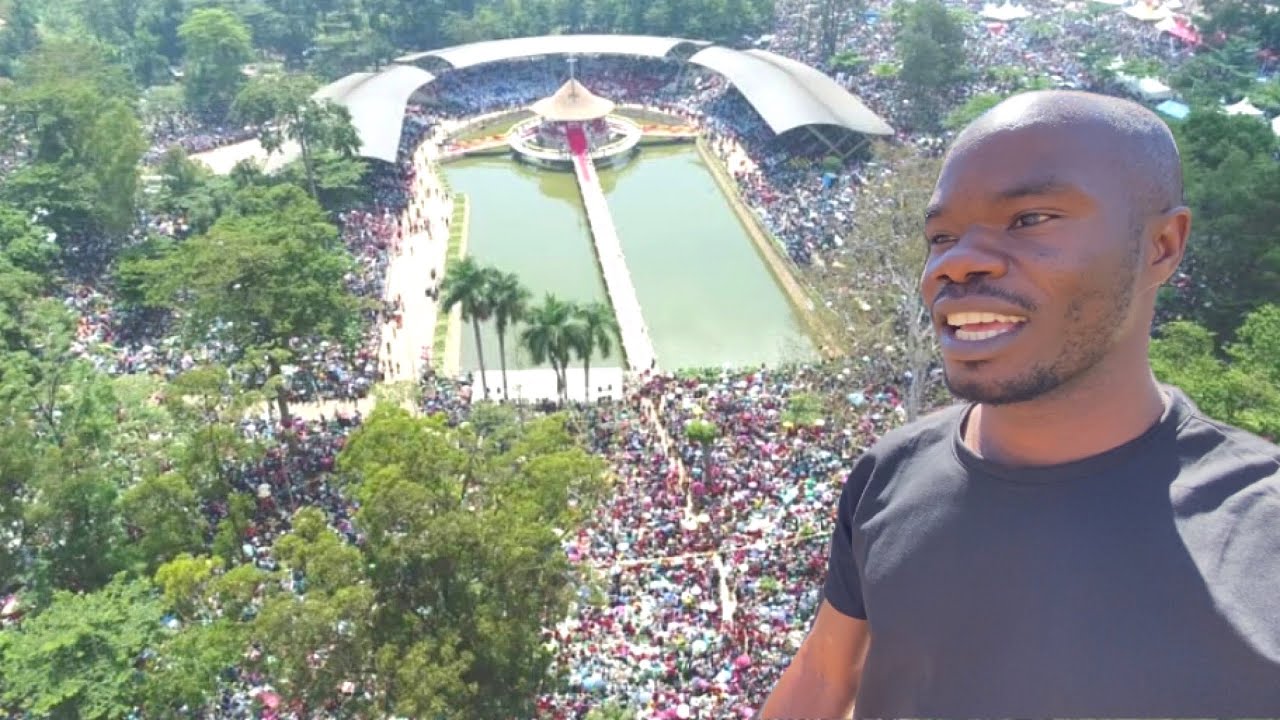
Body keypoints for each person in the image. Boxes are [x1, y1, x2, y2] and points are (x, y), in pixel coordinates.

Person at [757, 90, 1280, 718]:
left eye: (1030, 219)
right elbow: (824, 677)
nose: (955, 263)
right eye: (942, 234)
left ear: (1162, 244)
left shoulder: (1260, 536)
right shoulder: (889, 472)